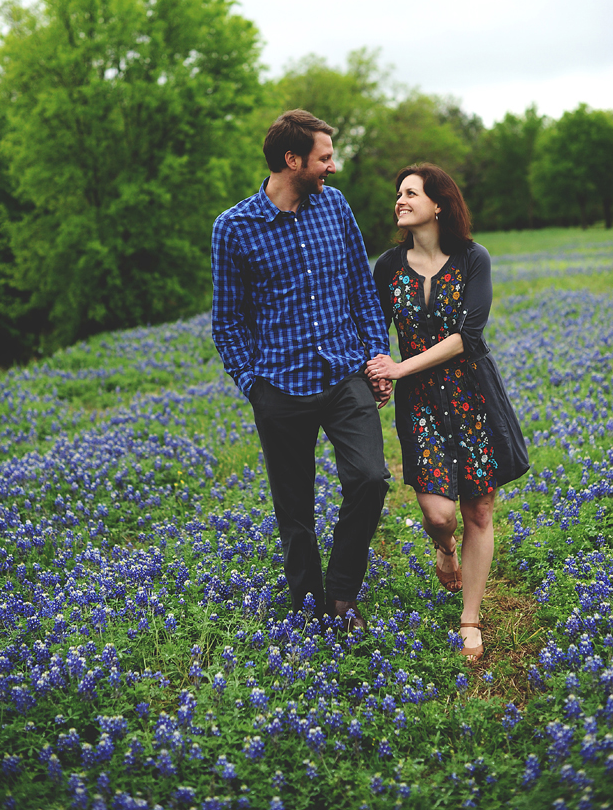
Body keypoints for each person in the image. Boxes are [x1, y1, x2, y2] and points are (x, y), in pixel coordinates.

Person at [211, 110, 392, 630]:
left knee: (371, 477)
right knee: (295, 510)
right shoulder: (235, 228)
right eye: (324, 158)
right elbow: (227, 323)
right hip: (280, 387)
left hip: (343, 374)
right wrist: (254, 386)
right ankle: (309, 605)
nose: (332, 168)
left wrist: (376, 357)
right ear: (292, 160)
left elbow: (361, 288)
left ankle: (341, 594)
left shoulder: (334, 207)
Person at [366, 163, 528, 663]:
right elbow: (374, 327)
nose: (400, 200)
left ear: (438, 204)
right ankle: (444, 547)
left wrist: (399, 367)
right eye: (398, 193)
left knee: (479, 508)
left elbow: (469, 336)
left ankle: (470, 618)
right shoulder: (389, 266)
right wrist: (379, 371)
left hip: (472, 393)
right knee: (439, 512)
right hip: (420, 403)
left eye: (411, 192)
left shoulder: (472, 259)